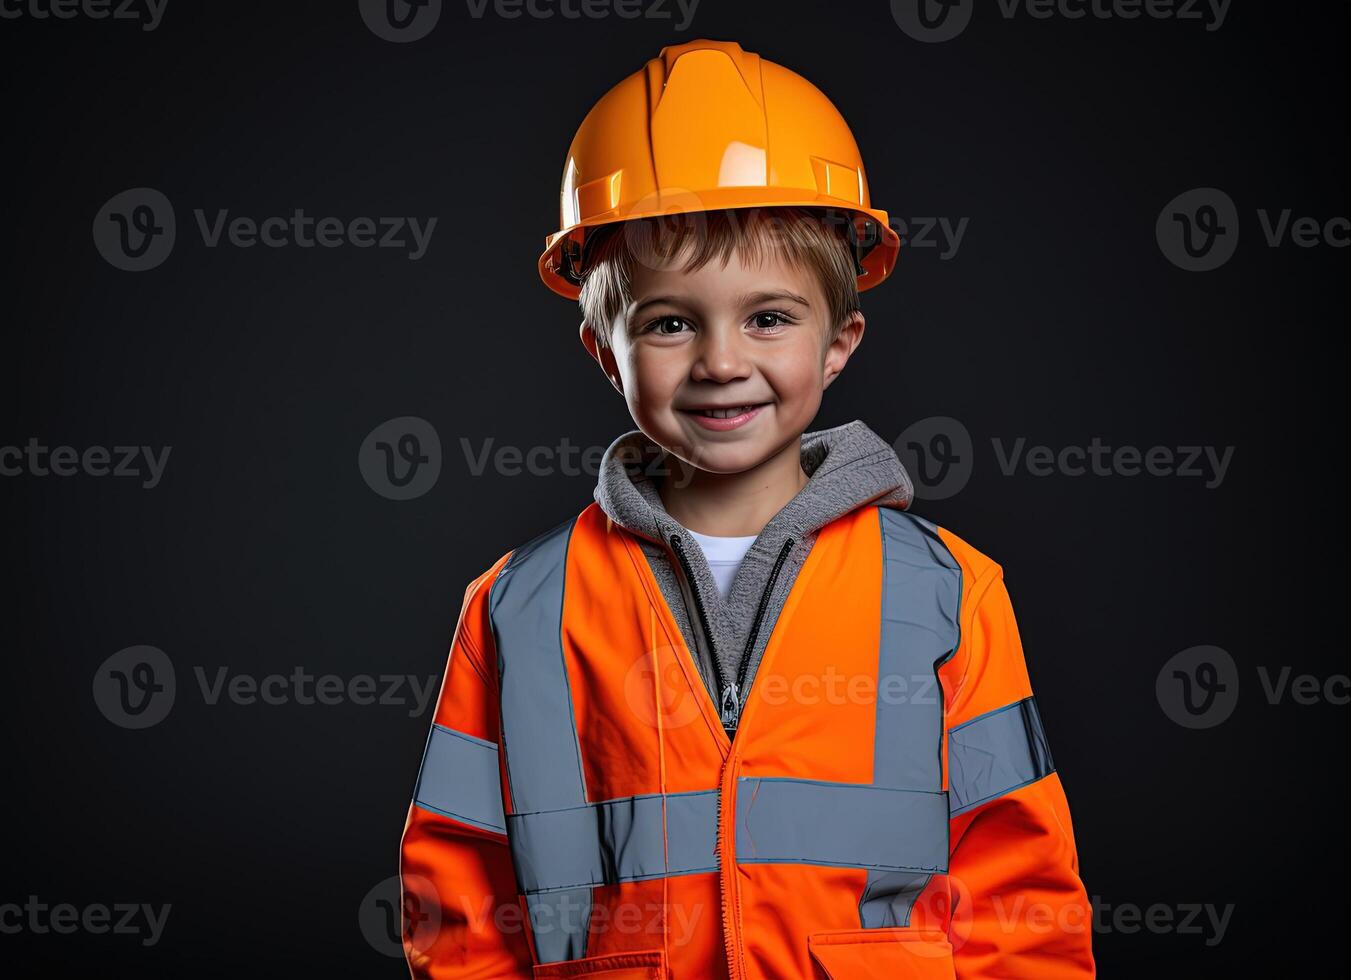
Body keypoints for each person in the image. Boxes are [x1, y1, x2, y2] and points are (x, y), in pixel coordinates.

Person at [399, 38, 1095, 979]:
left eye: (768, 317)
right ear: (607, 353)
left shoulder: (945, 593)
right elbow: (460, 907)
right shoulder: (517, 608)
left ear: (839, 341)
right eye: (670, 322)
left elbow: (1021, 901)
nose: (722, 362)